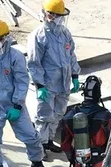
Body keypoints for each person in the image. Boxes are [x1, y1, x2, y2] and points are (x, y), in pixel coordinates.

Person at [0, 20, 53, 167]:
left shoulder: (15, 56)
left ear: (5, 38)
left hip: (14, 104)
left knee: (30, 135)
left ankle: (37, 162)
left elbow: (21, 81)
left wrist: (17, 104)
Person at [29, 0, 81, 153]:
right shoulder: (38, 36)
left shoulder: (64, 33)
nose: (60, 18)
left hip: (63, 82)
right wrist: (39, 85)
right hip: (48, 84)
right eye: (58, 15)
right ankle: (40, 146)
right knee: (43, 116)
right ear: (49, 15)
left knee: (58, 113)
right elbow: (34, 62)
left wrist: (75, 74)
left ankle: (49, 140)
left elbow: (71, 55)